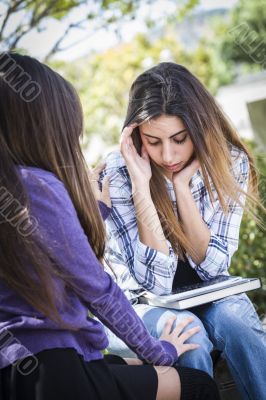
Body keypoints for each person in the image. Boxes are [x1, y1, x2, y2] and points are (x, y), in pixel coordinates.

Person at [0, 53, 221, 400]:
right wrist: (158, 352)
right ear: (41, 123)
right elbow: (97, 289)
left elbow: (49, 255)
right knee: (197, 386)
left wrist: (97, 212)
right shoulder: (36, 186)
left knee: (127, 371)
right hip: (54, 372)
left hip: (19, 369)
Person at [100, 62, 266, 400]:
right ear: (135, 136)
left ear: (200, 128)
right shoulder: (117, 173)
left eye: (179, 139)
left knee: (236, 317)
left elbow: (214, 269)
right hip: (137, 305)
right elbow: (154, 284)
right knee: (187, 334)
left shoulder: (229, 161)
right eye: (153, 141)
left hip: (209, 294)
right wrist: (141, 187)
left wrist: (183, 188)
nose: (168, 155)